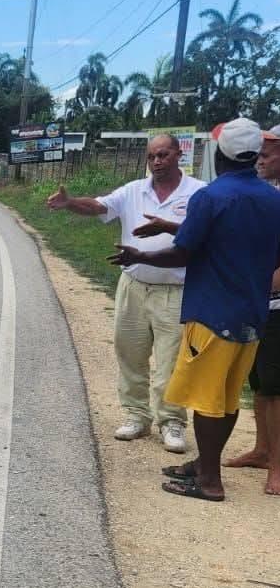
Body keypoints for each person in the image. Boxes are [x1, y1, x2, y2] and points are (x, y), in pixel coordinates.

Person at [109, 118, 280, 501]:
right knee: (228, 397)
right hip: (253, 315)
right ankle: (205, 464)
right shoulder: (273, 198)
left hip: (212, 313)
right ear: (253, 155)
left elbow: (184, 252)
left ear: (220, 154)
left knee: (206, 401)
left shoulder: (211, 197)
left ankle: (210, 481)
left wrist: (137, 254)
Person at [47, 134, 205, 452]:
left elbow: (207, 235)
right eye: (151, 157)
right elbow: (100, 205)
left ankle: (171, 421)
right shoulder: (135, 190)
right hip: (133, 286)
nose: (157, 161)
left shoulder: (200, 193)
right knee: (129, 353)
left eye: (163, 154)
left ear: (178, 154)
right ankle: (136, 414)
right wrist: (69, 203)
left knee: (170, 362)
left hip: (176, 290)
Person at [224, 126, 280, 495]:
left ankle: (277, 467)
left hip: (275, 301)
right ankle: (262, 450)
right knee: (259, 382)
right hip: (260, 303)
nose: (261, 156)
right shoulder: (270, 194)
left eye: (270, 150)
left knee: (276, 387)